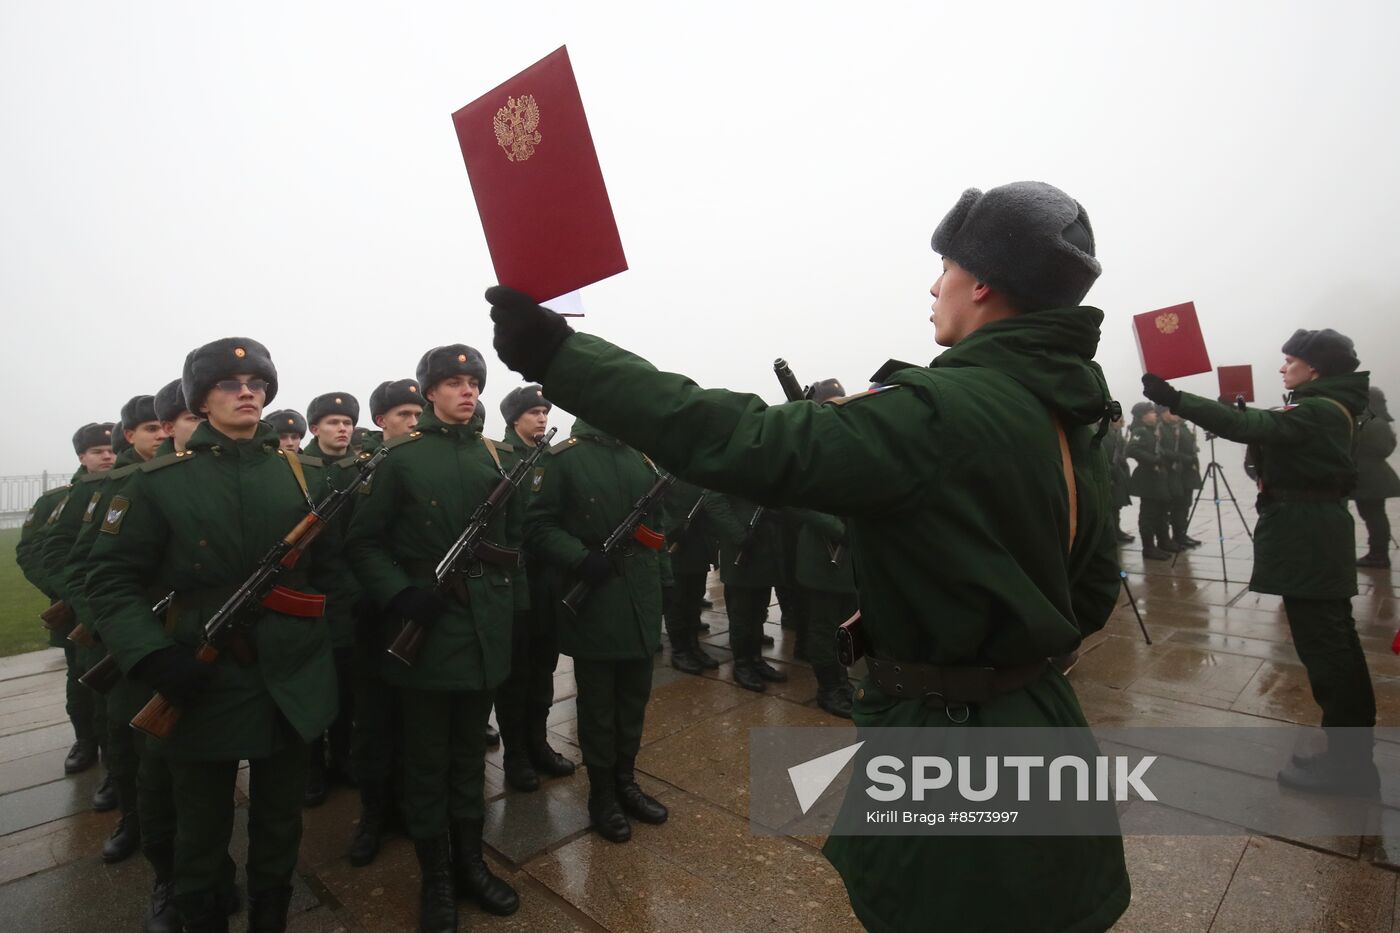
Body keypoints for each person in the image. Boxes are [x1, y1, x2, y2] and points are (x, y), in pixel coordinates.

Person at [487, 179, 1130, 932]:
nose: (935, 286)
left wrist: (561, 354)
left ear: (983, 281)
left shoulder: (937, 410)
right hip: (1044, 718)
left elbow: (741, 439)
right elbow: (1090, 595)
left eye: (947, 267)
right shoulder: (1071, 417)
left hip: (955, 739)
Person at [87, 338, 341, 931]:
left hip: (289, 673)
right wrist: (151, 656)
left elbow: (329, 572)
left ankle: (271, 912)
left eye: (257, 383)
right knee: (200, 823)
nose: (246, 391)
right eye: (229, 384)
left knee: (280, 817)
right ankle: (200, 910)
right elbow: (110, 580)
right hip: (201, 672)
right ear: (201, 399)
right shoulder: (158, 482)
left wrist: (324, 640)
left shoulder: (303, 475)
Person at [1144, 327, 1378, 794]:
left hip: (1309, 536)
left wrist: (1177, 399)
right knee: (1335, 644)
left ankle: (1349, 767)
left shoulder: (1319, 409)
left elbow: (1254, 428)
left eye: (1290, 360)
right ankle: (1350, 756)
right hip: (1313, 531)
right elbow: (1261, 425)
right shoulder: (1325, 406)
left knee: (1327, 649)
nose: (1282, 367)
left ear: (1315, 368)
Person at [347, 345, 520, 932]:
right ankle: (437, 878)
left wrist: (507, 609)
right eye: (453, 382)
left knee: (469, 756)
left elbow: (512, 541)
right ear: (429, 393)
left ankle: (471, 862)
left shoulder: (494, 456)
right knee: (426, 760)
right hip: (426, 626)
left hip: (482, 627)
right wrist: (400, 593)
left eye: (474, 382)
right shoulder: (399, 459)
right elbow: (363, 543)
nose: (467, 391)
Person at [524, 418, 670, 843]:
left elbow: (657, 528)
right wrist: (579, 557)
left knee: (634, 700)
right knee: (599, 707)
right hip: (597, 598)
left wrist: (665, 579)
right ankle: (602, 795)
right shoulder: (563, 458)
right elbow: (536, 526)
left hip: (641, 598)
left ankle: (626, 782)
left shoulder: (640, 458)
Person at [346, 378, 424, 867]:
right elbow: (349, 545)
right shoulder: (361, 470)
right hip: (372, 614)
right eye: (403, 416)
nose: (413, 423)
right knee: (374, 723)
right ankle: (374, 814)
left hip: (419, 609)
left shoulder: (424, 465)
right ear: (381, 421)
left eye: (418, 414)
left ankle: (412, 805)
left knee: (415, 720)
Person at [493, 384, 575, 792]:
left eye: (545, 412)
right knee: (514, 674)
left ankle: (538, 743)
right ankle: (516, 755)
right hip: (512, 582)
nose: (542, 419)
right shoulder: (498, 458)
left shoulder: (553, 459)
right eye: (534, 413)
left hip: (547, 580)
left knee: (543, 666)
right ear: (514, 419)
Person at [40, 422, 117, 779]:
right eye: (98, 452)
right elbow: (37, 553)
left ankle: (115, 760)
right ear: (82, 457)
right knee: (82, 680)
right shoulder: (61, 500)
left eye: (111, 450)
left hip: (116, 600)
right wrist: (70, 595)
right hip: (77, 607)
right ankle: (85, 741)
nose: (107, 457)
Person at [301, 391, 366, 807]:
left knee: (347, 686)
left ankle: (343, 756)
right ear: (315, 428)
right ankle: (311, 766)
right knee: (312, 688)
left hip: (351, 595)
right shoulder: (297, 469)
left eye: (347, 423)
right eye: (333, 422)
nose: (342, 429)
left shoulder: (362, 469)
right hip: (310, 595)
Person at [1353, 387, 1398, 568]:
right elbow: (1388, 447)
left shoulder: (1369, 422)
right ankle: (1378, 553)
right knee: (1375, 515)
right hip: (1376, 475)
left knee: (1373, 516)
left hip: (1369, 478)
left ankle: (1378, 555)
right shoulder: (1381, 422)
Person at [1126, 401, 1174, 559]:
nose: (1155, 415)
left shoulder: (1151, 430)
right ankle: (1148, 547)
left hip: (1157, 477)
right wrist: (1153, 460)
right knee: (1148, 514)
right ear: (1143, 416)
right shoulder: (1140, 431)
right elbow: (1131, 449)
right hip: (1148, 477)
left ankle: (1163, 541)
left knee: (1161, 512)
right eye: (1152, 413)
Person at [1160, 409, 1202, 548]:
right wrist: (1185, 458)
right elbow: (1168, 450)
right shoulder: (1169, 428)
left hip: (1188, 471)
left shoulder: (1182, 427)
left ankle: (1182, 533)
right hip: (1179, 470)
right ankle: (1178, 535)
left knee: (1186, 504)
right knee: (1179, 506)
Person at [1106, 410, 1134, 543]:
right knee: (1111, 506)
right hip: (1111, 473)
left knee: (1117, 506)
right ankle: (1112, 532)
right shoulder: (1108, 434)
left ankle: (1117, 530)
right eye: (1119, 420)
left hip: (1118, 473)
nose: (1121, 422)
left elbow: (1124, 451)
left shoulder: (1118, 434)